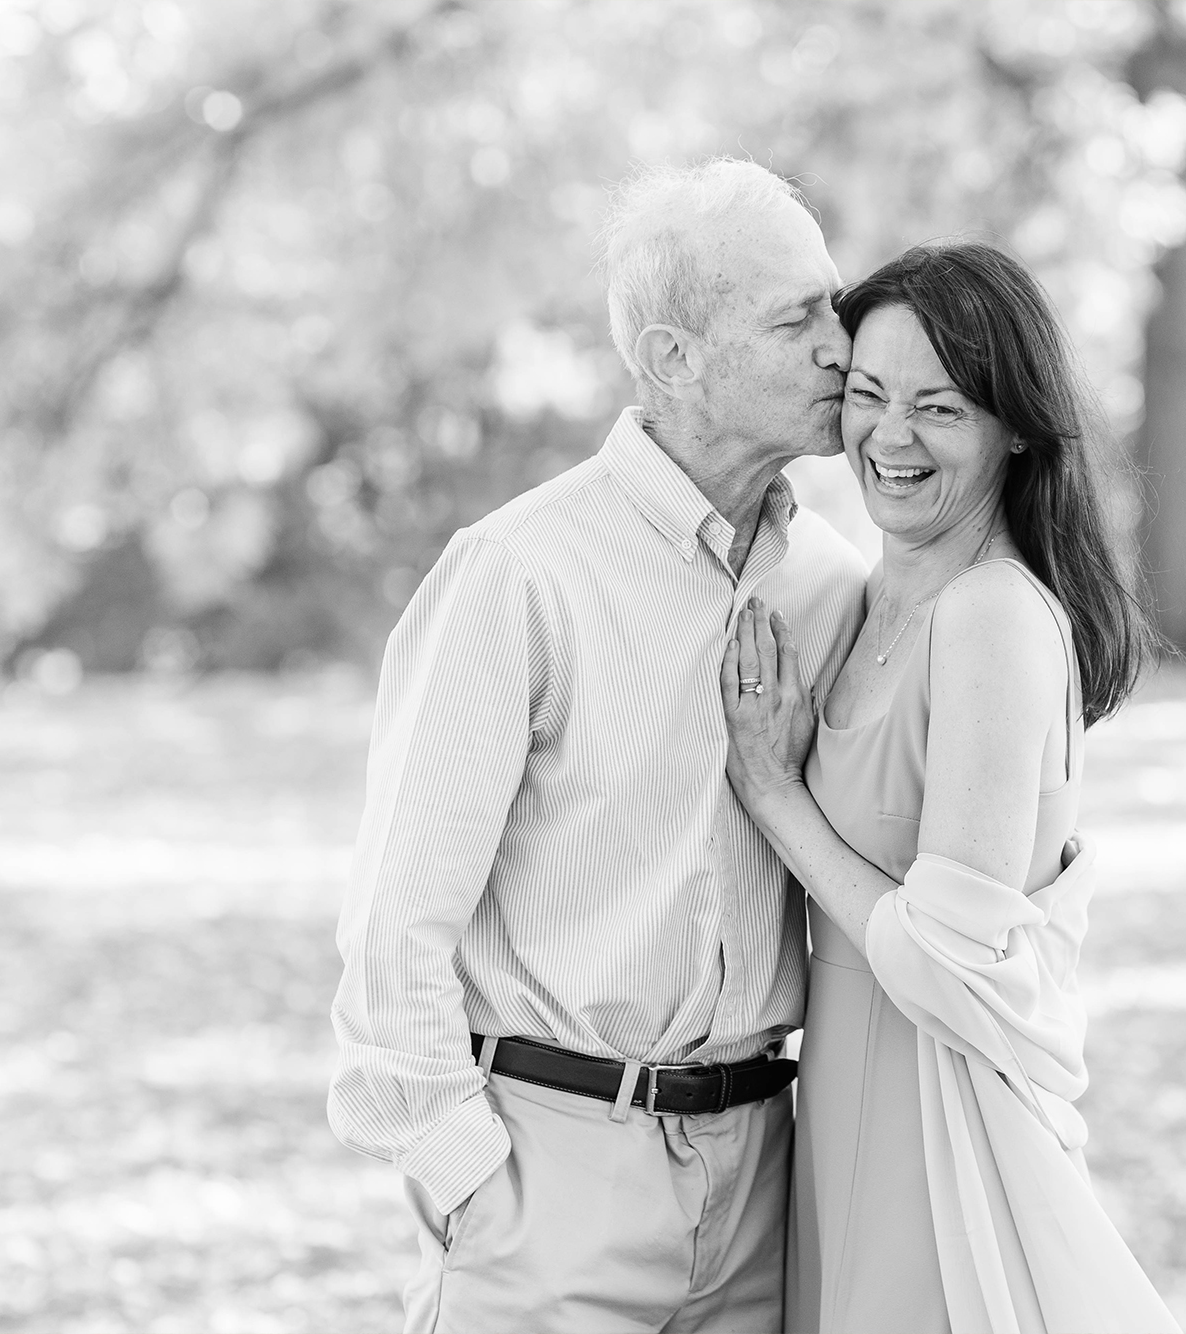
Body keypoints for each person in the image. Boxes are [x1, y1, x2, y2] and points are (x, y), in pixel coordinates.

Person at [326, 159, 867, 1333]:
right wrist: (473, 1174)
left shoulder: (834, 583)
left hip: (769, 1184)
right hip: (549, 1176)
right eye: (796, 318)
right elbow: (394, 922)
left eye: (835, 304)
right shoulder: (516, 570)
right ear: (673, 358)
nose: (843, 345)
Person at [721, 241, 1181, 1333]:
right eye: (868, 395)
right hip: (842, 1108)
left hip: (940, 1127)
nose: (889, 436)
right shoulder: (871, 591)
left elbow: (942, 950)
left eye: (937, 407)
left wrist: (772, 790)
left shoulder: (990, 615)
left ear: (1013, 423)